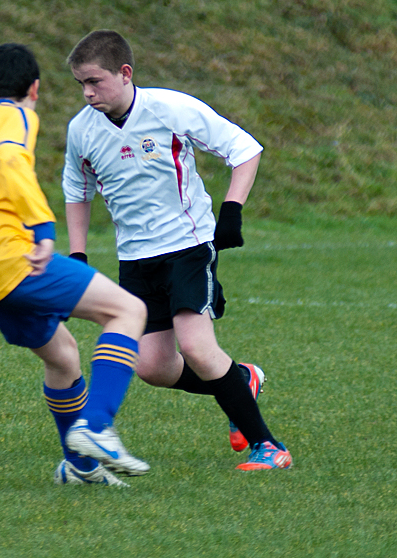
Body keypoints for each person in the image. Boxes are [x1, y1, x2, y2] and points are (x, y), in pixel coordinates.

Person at [62, 29, 292, 471]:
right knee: (153, 366)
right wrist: (78, 255)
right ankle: (242, 379)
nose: (88, 93)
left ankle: (269, 447)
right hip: (135, 258)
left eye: (96, 82)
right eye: (81, 85)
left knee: (199, 349)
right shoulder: (82, 130)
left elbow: (244, 149)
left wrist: (232, 210)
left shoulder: (169, 108)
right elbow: (77, 189)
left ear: (125, 74)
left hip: (188, 246)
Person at [0, 43, 150, 487]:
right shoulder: (15, 115)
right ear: (34, 88)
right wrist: (42, 226)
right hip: (10, 259)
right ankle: (96, 428)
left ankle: (80, 467)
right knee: (128, 310)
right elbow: (14, 161)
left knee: (63, 357)